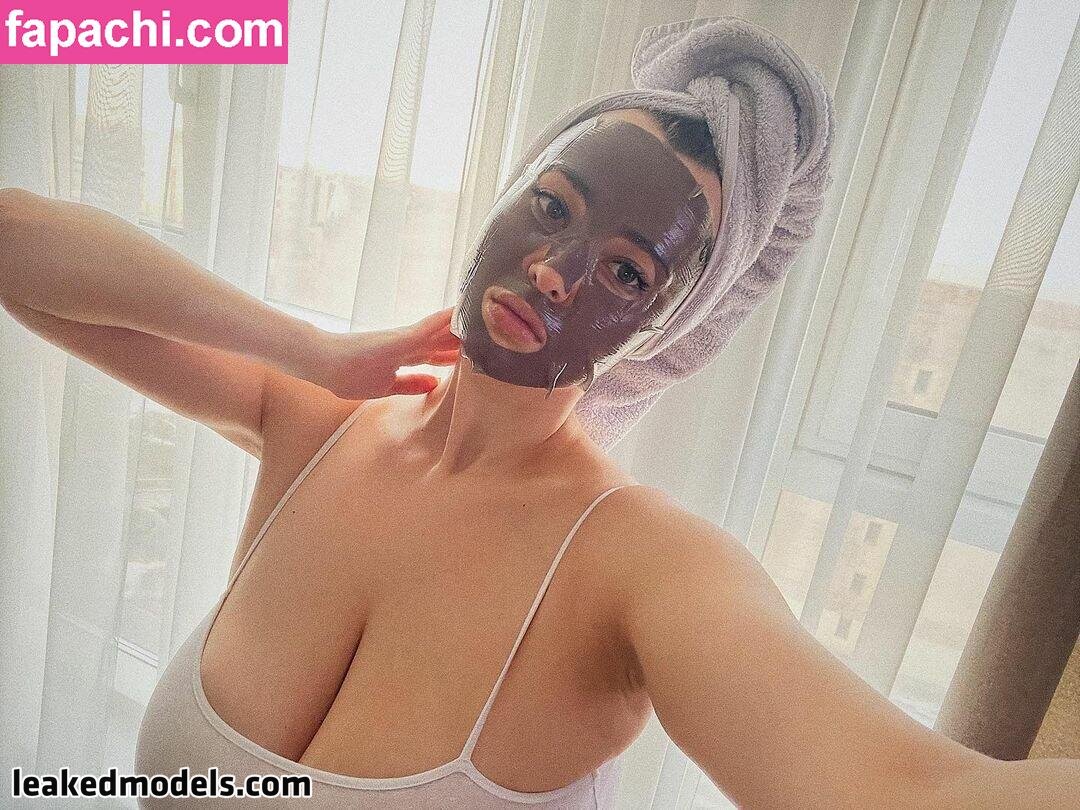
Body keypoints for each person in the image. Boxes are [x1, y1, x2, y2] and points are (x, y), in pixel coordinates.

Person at [2, 15, 1077, 810]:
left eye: (626, 271)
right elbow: (18, 246)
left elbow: (913, 793)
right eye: (553, 206)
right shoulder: (317, 422)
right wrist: (310, 349)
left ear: (665, 325)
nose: (558, 269)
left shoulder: (636, 565)